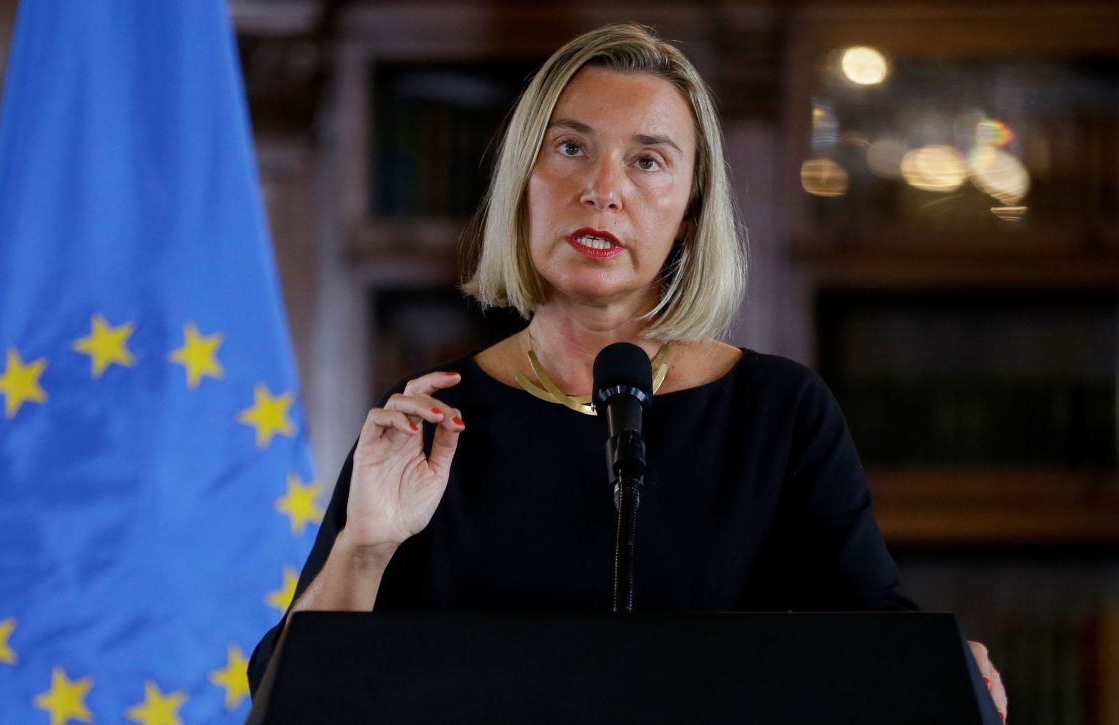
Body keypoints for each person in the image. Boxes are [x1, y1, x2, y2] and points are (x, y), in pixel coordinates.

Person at [248, 22, 1007, 718]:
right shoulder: (432, 418)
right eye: (570, 149)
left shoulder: (779, 413)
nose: (602, 190)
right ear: (522, 182)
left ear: (689, 212)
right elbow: (296, 697)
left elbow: (877, 649)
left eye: (647, 161)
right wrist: (367, 547)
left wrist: (941, 664)